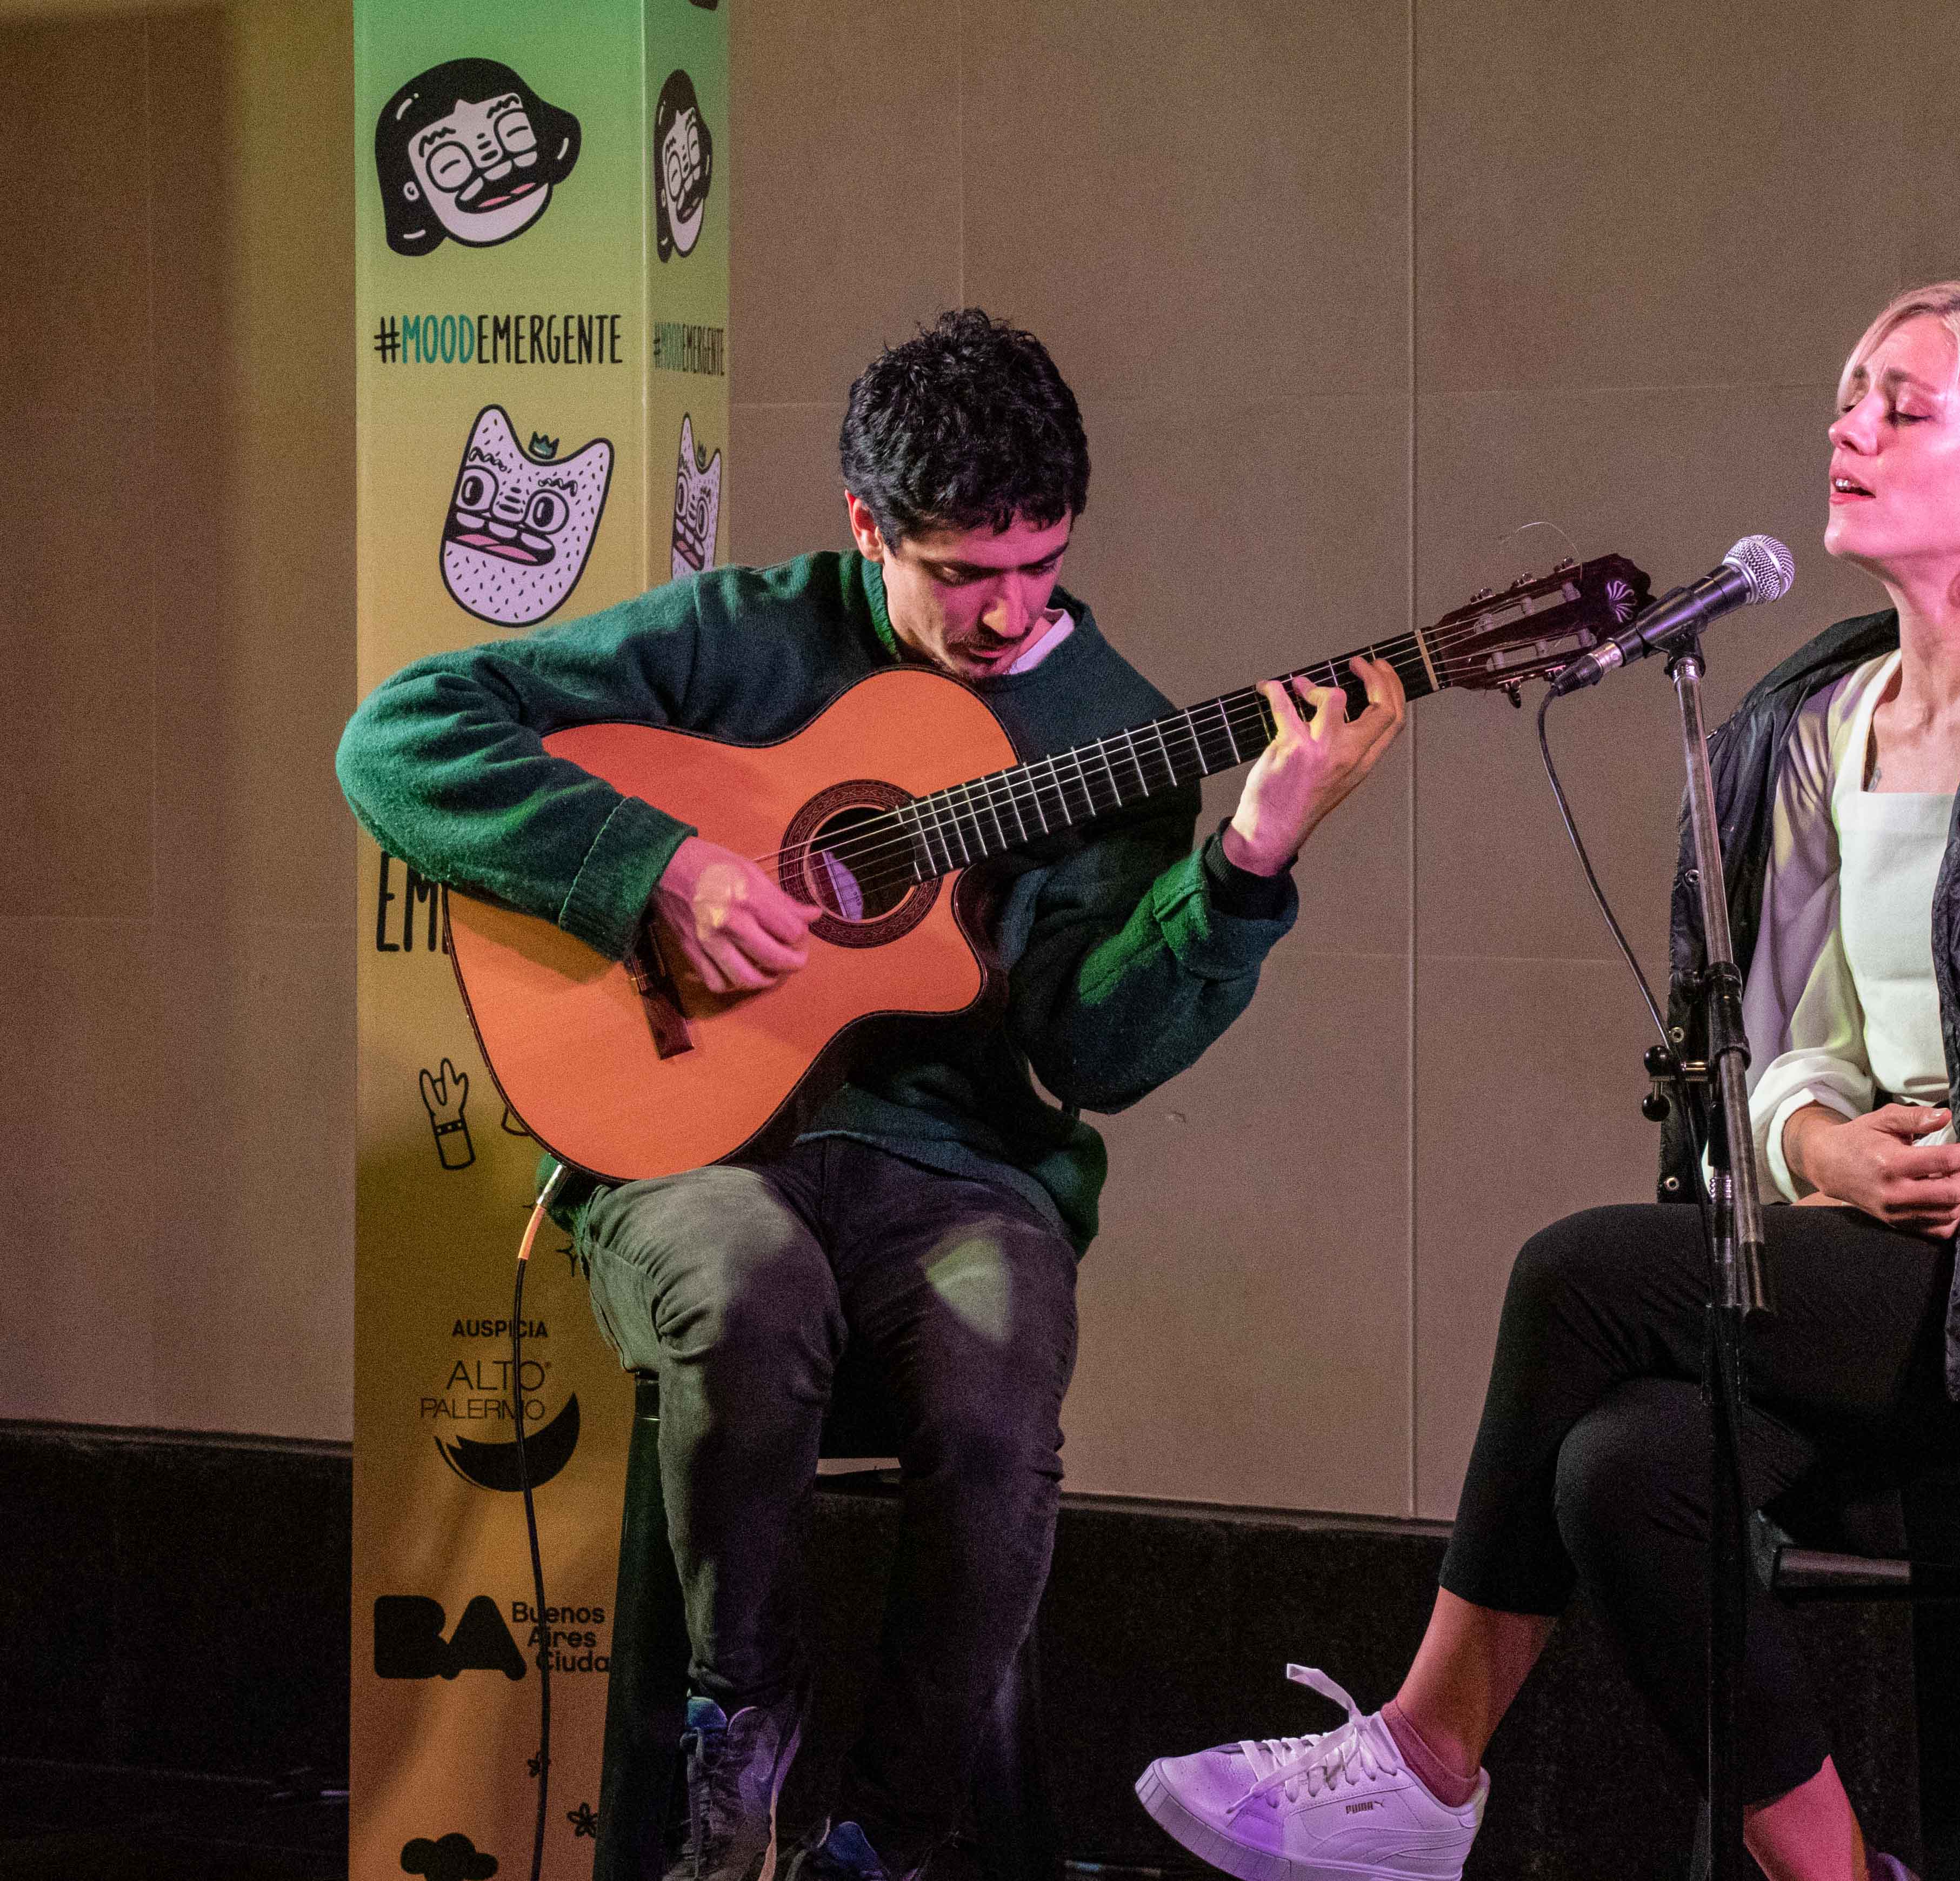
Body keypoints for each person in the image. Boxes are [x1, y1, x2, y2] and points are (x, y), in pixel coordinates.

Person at [1135, 280, 1960, 1881]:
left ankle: (1423, 1758)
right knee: (1623, 1470)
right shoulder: (1824, 721)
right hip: (1882, 1276)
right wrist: (1818, 1146)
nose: (1848, 426)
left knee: (1578, 1275)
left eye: (1903, 406)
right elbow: (1790, 1034)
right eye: (1849, 393)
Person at [337, 310, 1404, 1881]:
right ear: (865, 526)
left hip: (957, 1167)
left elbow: (1095, 1054)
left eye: (1040, 563)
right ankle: (738, 1746)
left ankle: (888, 1836)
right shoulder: (741, 636)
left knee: (993, 1385)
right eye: (962, 574)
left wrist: (1246, 863)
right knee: (744, 1287)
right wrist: (656, 869)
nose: (1008, 612)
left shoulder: (1116, 730)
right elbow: (400, 736)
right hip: (688, 1152)